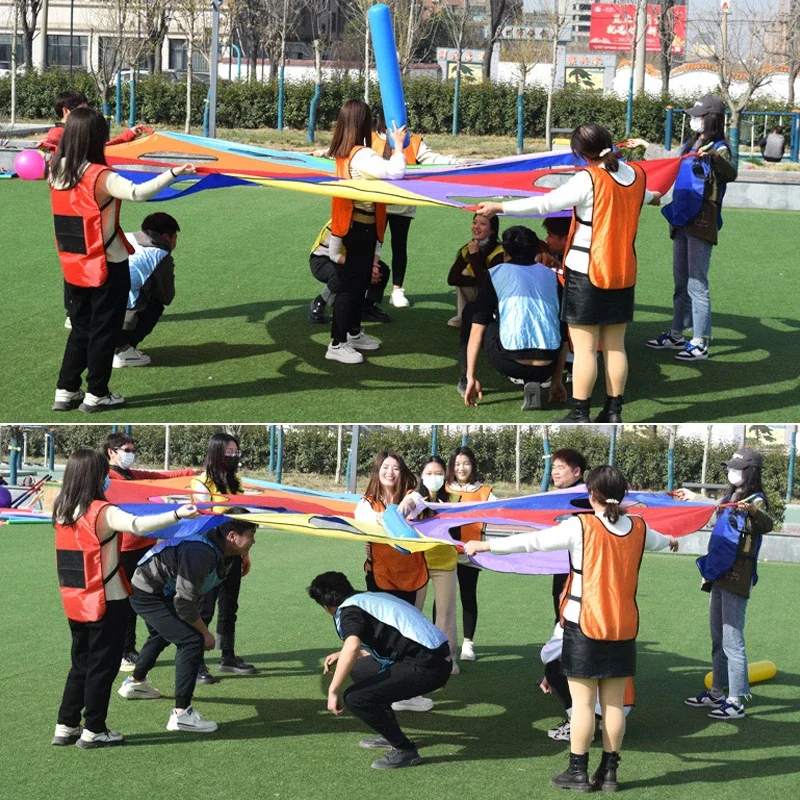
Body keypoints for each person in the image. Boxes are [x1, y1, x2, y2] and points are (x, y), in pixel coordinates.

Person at [466, 465, 678, 791]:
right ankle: (609, 774)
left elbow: (532, 542)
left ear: (590, 495)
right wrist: (673, 541)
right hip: (623, 628)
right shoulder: (639, 527)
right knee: (612, 705)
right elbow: (663, 541)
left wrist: (486, 546)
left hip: (585, 627)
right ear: (621, 495)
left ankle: (577, 772)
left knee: (582, 706)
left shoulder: (580, 526)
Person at [477, 124, 661, 424]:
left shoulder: (587, 179)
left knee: (586, 349)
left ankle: (580, 413)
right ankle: (614, 412)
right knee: (615, 346)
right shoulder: (636, 174)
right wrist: (654, 197)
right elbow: (653, 196)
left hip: (586, 272)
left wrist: (499, 207)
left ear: (580, 153)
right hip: (624, 272)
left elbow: (545, 203)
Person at [49, 107, 194, 413]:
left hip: (74, 263)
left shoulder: (56, 168)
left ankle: (66, 390)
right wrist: (173, 173)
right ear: (95, 138)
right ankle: (97, 393)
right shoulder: (99, 176)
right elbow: (138, 193)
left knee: (80, 327)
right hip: (106, 264)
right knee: (104, 330)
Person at [52, 448, 198, 749]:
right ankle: (94, 729)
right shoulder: (102, 511)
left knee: (80, 664)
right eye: (104, 473)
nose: (108, 478)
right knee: (102, 667)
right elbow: (137, 525)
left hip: (75, 599)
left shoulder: (61, 508)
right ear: (94, 476)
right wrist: (176, 513)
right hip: (107, 600)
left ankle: (66, 725)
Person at [117, 511, 257, 734]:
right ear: (232, 536)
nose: (254, 541)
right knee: (191, 641)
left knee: (164, 634)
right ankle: (182, 714)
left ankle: (136, 683)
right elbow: (184, 602)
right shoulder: (201, 552)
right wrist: (204, 633)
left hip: (161, 589)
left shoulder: (225, 552)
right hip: (146, 591)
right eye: (251, 535)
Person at [629, 95, 737, 362]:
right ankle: (677, 334)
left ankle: (700, 341)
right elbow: (670, 158)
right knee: (681, 282)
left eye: (698, 115)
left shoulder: (720, 147)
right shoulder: (691, 143)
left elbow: (730, 173)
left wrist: (713, 156)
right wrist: (645, 145)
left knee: (697, 283)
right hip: (680, 218)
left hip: (702, 221)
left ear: (710, 119)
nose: (694, 119)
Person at [308, 571, 452, 770]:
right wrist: (343, 653)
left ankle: (404, 750)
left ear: (326, 606)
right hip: (435, 657)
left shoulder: (349, 611)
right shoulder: (369, 597)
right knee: (360, 671)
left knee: (356, 698)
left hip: (427, 666)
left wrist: (332, 691)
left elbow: (352, 646)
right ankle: (390, 734)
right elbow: (388, 639)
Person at [677, 447, 773, 720]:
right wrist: (695, 497)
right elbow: (716, 506)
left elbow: (767, 523)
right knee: (718, 638)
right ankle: (717, 692)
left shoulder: (757, 500)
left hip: (738, 575)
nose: (731, 472)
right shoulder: (730, 496)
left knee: (733, 639)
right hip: (718, 572)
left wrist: (753, 511)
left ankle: (736, 700)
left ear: (750, 472)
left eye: (737, 468)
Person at [103, 431, 196, 670]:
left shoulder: (132, 474)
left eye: (133, 450)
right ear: (111, 452)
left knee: (149, 595)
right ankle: (125, 650)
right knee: (127, 600)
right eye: (127, 450)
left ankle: (151, 641)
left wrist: (189, 473)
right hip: (125, 547)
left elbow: (159, 477)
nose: (131, 454)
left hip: (146, 544)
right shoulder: (109, 479)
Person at [323, 99, 406, 364]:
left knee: (360, 284)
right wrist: (400, 145)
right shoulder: (360, 154)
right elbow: (395, 172)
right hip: (359, 228)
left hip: (359, 226)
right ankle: (337, 343)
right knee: (351, 286)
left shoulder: (342, 152)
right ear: (363, 123)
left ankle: (353, 332)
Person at [459, 225, 567, 412]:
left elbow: (478, 327)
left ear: (506, 252)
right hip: (547, 367)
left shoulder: (496, 273)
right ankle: (536, 380)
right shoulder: (552, 276)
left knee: (471, 311)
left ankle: (464, 380)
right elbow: (563, 331)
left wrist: (471, 376)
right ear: (536, 250)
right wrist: (557, 379)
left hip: (509, 363)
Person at [371, 109, 461, 309]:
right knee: (372, 246)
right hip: (377, 204)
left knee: (399, 247)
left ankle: (397, 290)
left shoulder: (414, 142)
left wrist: (456, 161)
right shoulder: (371, 140)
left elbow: (433, 159)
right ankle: (369, 289)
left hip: (403, 205)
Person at [190, 433, 256, 683]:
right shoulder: (202, 483)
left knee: (229, 607)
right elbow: (203, 519)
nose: (233, 455)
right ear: (216, 451)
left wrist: (245, 552)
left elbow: (242, 521)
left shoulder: (236, 482)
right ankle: (195, 662)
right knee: (204, 608)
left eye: (235, 451)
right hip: (209, 554)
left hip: (234, 554)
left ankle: (227, 656)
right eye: (228, 451)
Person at [444, 447, 496, 663]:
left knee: (468, 596)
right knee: (443, 599)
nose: (461, 468)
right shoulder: (442, 489)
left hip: (470, 552)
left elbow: (503, 510)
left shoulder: (484, 491)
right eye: (457, 464)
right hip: (444, 552)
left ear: (472, 465)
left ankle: (467, 644)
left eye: (465, 463)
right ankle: (443, 641)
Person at [113, 212, 181, 368]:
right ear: (165, 237)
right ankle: (123, 350)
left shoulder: (126, 237)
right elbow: (167, 296)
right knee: (155, 305)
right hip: (116, 318)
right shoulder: (160, 255)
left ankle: (109, 345)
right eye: (175, 237)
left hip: (92, 309)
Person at [412, 456, 460, 674]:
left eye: (438, 473)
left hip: (445, 562)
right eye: (429, 473)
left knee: (446, 613)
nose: (434, 478)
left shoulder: (454, 499)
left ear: (445, 476)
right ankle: (413, 656)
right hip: (417, 562)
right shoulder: (412, 499)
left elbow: (459, 530)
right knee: (414, 612)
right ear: (421, 476)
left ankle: (447, 658)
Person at [307, 219, 391, 325]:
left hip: (353, 258)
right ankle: (319, 302)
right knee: (343, 273)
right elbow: (335, 255)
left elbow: (377, 248)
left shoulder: (375, 221)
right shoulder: (340, 221)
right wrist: (365, 267)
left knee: (381, 270)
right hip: (323, 259)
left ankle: (367, 307)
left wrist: (372, 266)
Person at [39, 90, 147, 154]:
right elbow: (52, 140)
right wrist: (47, 144)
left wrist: (130, 133)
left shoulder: (85, 130)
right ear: (66, 110)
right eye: (82, 110)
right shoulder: (57, 132)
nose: (86, 114)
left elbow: (105, 147)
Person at [548, 449, 588, 623]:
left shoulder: (588, 497)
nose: (555, 472)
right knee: (561, 605)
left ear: (577, 472)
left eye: (561, 467)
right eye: (554, 467)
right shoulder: (558, 497)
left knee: (574, 609)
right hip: (562, 563)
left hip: (584, 566)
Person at [446, 212, 504, 327]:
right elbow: (452, 278)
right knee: (465, 272)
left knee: (469, 274)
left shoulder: (499, 252)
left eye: (482, 224)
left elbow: (488, 284)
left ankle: (488, 316)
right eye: (474, 222)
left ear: (492, 230)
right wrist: (475, 280)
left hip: (496, 295)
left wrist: (474, 255)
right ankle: (464, 315)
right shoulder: (468, 248)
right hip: (481, 286)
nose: (476, 227)